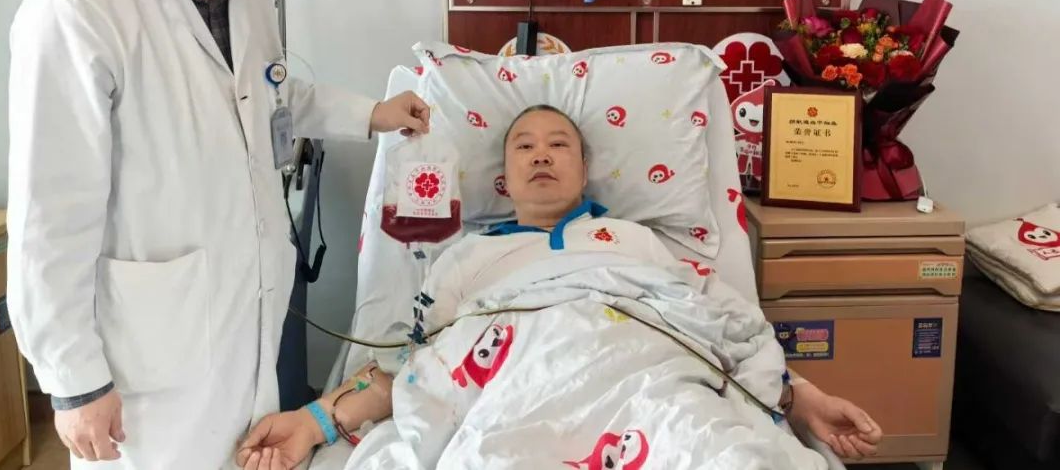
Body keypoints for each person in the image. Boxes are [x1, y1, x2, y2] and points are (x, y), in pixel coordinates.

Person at [6, 0, 428, 468]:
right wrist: (74, 379)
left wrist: (372, 114)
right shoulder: (78, 6)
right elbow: (49, 213)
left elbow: (272, 94)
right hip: (145, 351)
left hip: (244, 314)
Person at [236, 105, 883, 469]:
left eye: (558, 144)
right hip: (512, 393)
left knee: (725, 454)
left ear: (585, 167)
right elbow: (414, 367)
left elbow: (718, 327)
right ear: (504, 175)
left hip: (650, 383)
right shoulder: (466, 258)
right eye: (523, 146)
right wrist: (313, 421)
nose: (541, 154)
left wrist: (803, 399)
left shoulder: (635, 241)